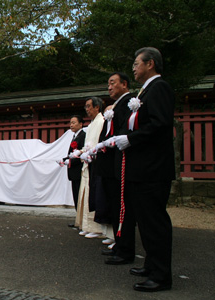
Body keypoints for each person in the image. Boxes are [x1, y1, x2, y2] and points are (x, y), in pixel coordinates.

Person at [113, 47, 175, 292]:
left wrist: (132, 139)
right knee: (146, 222)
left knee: (154, 222)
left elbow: (160, 125)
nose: (134, 68)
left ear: (150, 64)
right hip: (142, 168)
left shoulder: (159, 88)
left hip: (153, 169)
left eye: (137, 64)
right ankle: (151, 265)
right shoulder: (146, 90)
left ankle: (161, 276)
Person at [96, 72, 136, 264]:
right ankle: (119, 245)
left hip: (118, 164)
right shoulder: (117, 105)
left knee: (121, 208)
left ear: (124, 84)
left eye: (113, 83)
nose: (109, 87)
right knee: (114, 207)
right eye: (108, 84)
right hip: (110, 166)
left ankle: (125, 249)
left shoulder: (128, 103)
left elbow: (123, 132)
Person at [74, 97, 105, 238]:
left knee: (93, 194)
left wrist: (85, 152)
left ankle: (95, 227)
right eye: (85, 107)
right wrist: (82, 151)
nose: (87, 109)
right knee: (85, 193)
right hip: (87, 162)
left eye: (89, 106)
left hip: (95, 161)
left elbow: (98, 143)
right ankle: (86, 225)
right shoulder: (92, 123)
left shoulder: (101, 121)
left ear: (97, 107)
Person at [64, 115, 86, 217]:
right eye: (70, 123)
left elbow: (82, 153)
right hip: (73, 172)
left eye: (73, 122)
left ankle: (81, 221)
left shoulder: (83, 136)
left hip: (79, 171)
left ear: (81, 124)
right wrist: (64, 159)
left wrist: (71, 162)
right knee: (76, 196)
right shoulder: (75, 136)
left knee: (80, 197)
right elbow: (72, 153)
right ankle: (78, 219)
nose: (71, 125)